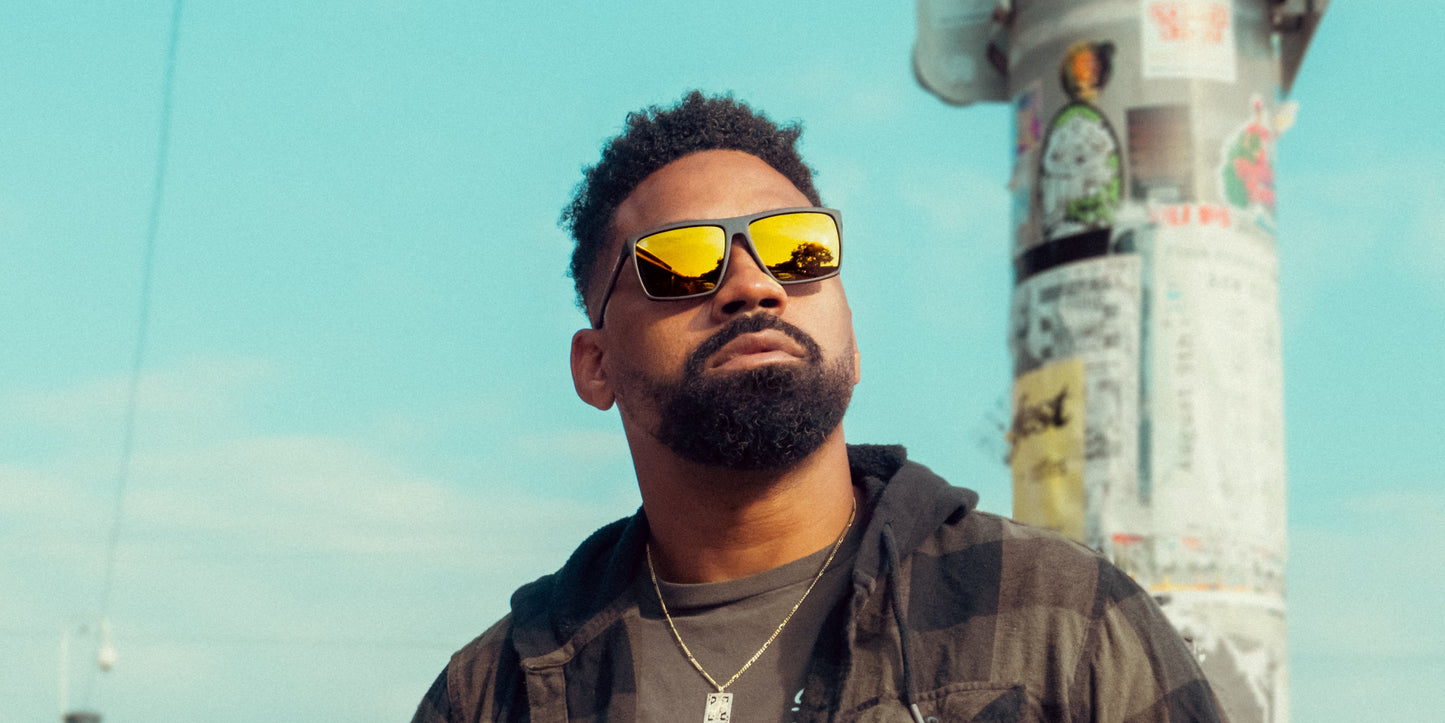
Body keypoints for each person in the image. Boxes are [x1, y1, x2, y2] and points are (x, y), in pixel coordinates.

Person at [412, 91, 1224, 722]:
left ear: (851, 335)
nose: (753, 284)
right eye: (682, 261)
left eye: (799, 249)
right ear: (594, 366)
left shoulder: (1059, 618)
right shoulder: (498, 690)